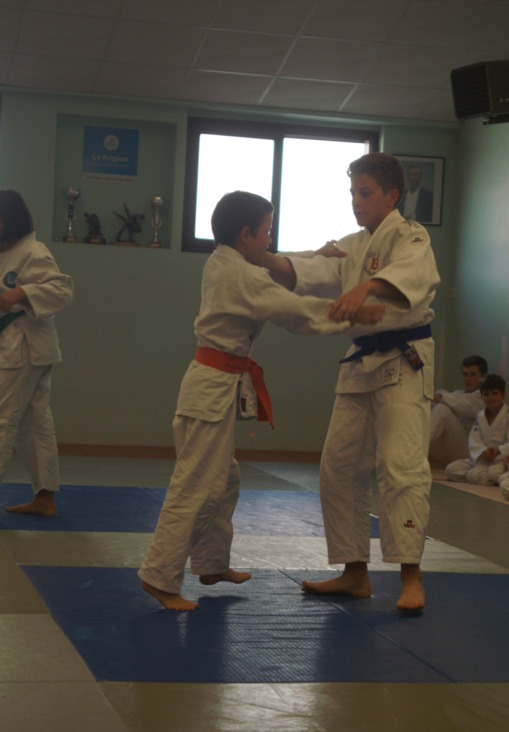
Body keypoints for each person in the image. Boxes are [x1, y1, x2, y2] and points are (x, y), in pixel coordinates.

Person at [138, 190, 385, 611]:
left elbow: (272, 268)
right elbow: (291, 309)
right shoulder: (239, 274)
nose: (270, 240)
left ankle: (211, 563)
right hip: (209, 387)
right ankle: (159, 576)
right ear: (246, 235)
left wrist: (314, 256)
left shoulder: (228, 261)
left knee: (224, 479)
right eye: (266, 232)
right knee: (197, 484)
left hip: (216, 383)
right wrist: (349, 313)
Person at [264, 152, 440, 611]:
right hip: (360, 362)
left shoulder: (411, 235)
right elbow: (311, 272)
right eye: (352, 194)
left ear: (391, 196)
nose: (356, 202)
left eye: (365, 193)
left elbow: (408, 276)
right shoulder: (351, 245)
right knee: (338, 467)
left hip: (404, 361)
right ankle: (354, 572)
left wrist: (367, 287)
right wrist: (259, 258)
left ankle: (411, 576)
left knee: (400, 466)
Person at [0, 189, 73, 516]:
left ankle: (45, 497)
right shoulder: (7, 252)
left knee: (3, 420)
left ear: (6, 221)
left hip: (24, 350)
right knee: (35, 424)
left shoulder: (33, 251)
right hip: (20, 350)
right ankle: (45, 498)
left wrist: (21, 293)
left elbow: (62, 290)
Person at [444, 374, 509, 485]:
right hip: (482, 458)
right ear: (482, 396)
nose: (490, 397)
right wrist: (482, 452)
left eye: (494, 393)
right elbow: (474, 439)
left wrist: (499, 450)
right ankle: (488, 477)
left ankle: (487, 476)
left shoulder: (507, 416)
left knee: (485, 474)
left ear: (503, 395)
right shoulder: (480, 416)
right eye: (486, 394)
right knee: (451, 470)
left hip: (501, 460)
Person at [429, 354, 488, 465]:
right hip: (451, 451)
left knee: (442, 410)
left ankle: (413, 453)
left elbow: (465, 403)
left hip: (469, 454)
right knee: (424, 406)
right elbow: (454, 398)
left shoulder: (484, 398)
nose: (468, 379)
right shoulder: (459, 394)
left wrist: (439, 397)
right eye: (465, 374)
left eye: (473, 374)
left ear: (484, 377)